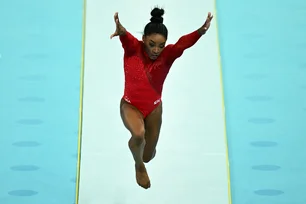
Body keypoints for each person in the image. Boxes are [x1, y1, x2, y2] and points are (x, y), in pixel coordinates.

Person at [110, 7, 213, 189]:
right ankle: (138, 166)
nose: (156, 50)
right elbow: (126, 36)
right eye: (151, 44)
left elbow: (182, 44)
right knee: (139, 134)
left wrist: (200, 32)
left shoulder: (167, 56)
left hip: (154, 109)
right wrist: (121, 31)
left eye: (161, 45)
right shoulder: (133, 48)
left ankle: (142, 158)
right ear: (143, 40)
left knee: (148, 155)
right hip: (130, 105)